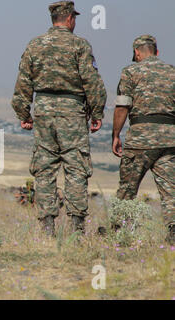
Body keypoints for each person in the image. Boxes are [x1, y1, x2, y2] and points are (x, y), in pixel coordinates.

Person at [11, 1, 107, 236]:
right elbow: (92, 82)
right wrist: (97, 112)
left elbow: (23, 83)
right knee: (75, 169)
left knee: (44, 170)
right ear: (70, 19)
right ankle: (76, 229)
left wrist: (24, 114)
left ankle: (47, 228)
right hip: (72, 113)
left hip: (43, 112)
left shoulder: (35, 45)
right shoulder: (79, 45)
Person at [112, 35, 174, 244]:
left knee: (127, 188)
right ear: (157, 52)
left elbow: (122, 106)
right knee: (171, 191)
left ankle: (121, 231)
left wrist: (116, 135)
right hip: (169, 141)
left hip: (140, 140)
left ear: (137, 53)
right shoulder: (172, 72)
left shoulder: (130, 72)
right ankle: (173, 233)